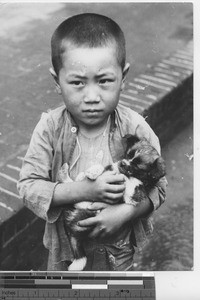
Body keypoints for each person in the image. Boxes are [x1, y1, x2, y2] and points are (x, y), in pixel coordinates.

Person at [17, 13, 167, 271]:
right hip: (66, 254)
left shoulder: (135, 128)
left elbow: (159, 186)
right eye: (77, 82)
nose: (92, 96)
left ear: (124, 76)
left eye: (104, 80)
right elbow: (28, 187)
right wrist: (85, 191)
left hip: (117, 253)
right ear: (57, 81)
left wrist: (126, 213)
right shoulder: (50, 128)